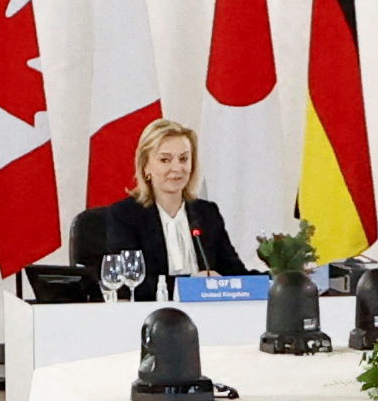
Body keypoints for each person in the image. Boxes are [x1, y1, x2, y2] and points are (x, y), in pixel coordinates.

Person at [68, 117, 247, 294]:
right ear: (146, 167)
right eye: (165, 160)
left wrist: (273, 275)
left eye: (183, 159)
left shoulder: (207, 213)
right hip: (149, 317)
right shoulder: (125, 214)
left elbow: (235, 273)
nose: (177, 168)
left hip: (209, 316)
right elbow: (130, 283)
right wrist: (190, 286)